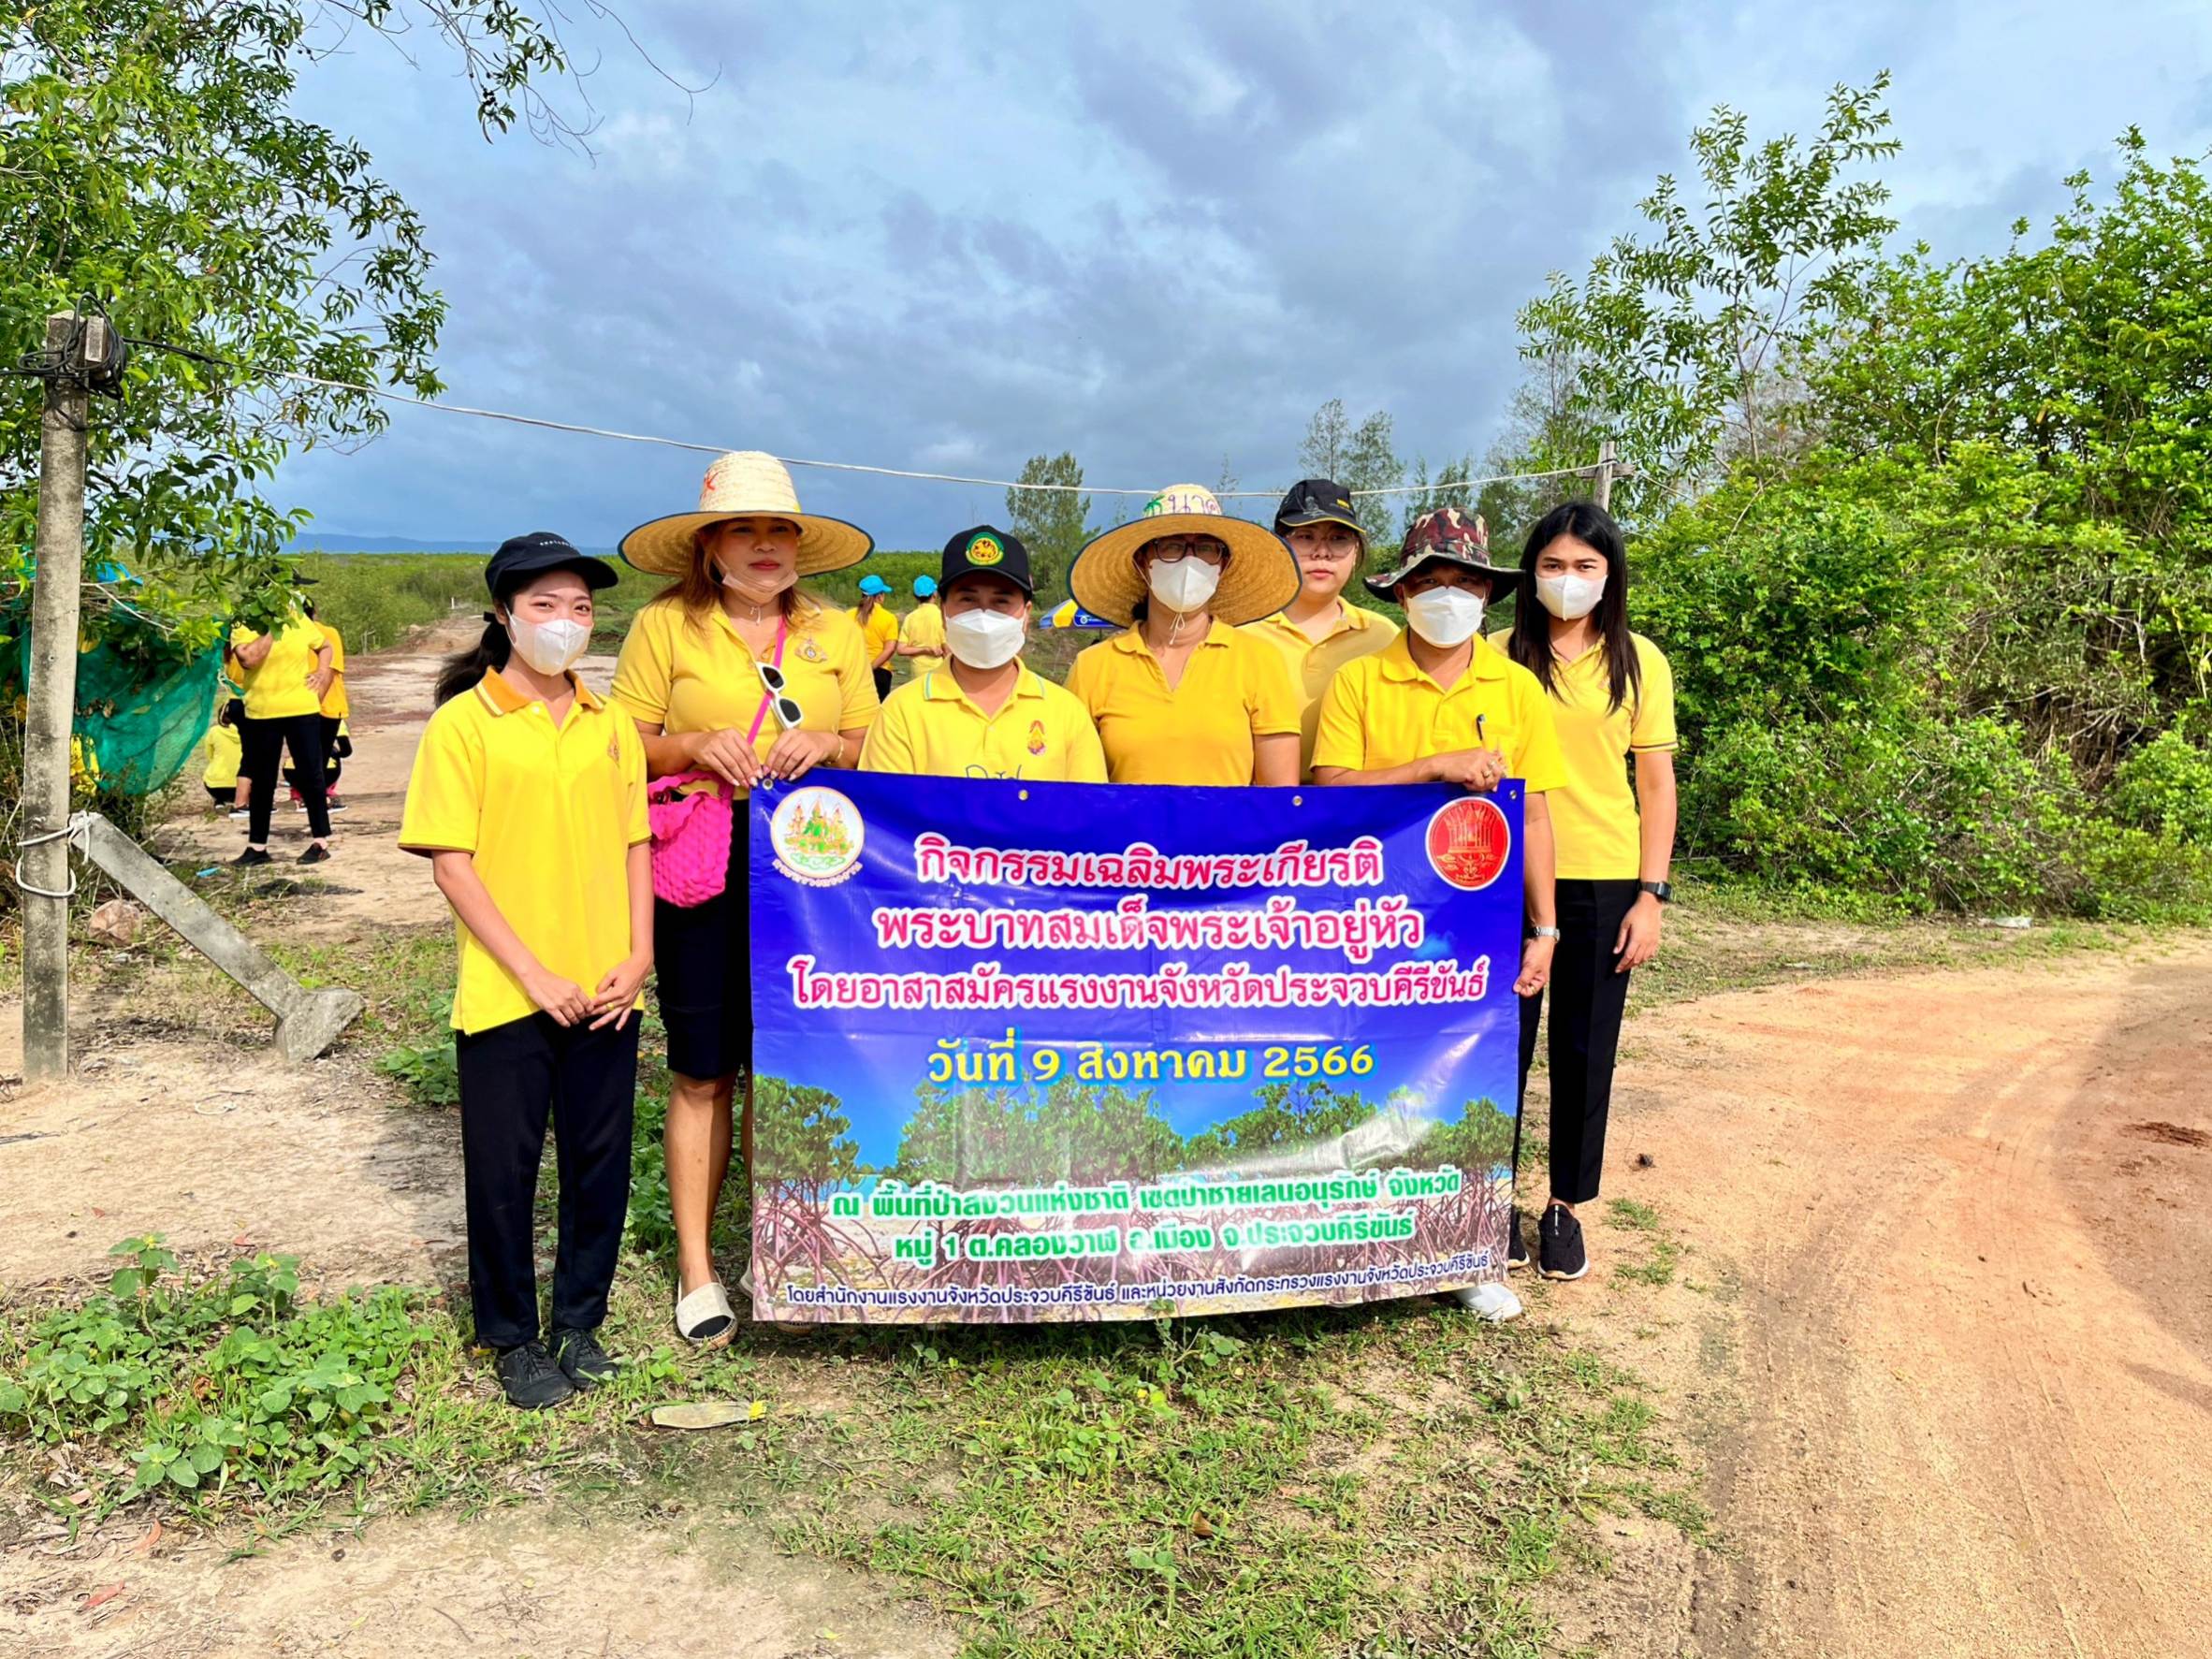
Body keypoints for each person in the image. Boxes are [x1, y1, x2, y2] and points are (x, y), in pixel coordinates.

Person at [610, 449, 878, 1346]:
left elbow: (879, 744)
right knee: (702, 1066)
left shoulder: (836, 632)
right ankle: (698, 1267)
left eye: (780, 530)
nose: (766, 546)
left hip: (814, 872)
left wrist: (829, 744)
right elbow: (626, 747)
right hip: (704, 868)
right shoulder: (665, 628)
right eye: (745, 530)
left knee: (794, 1061)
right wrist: (693, 743)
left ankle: (790, 1255)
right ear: (710, 546)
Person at [398, 531, 652, 1410]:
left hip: (606, 987)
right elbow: (452, 865)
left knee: (599, 1165)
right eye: (545, 605)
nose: (566, 622)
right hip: (511, 993)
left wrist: (639, 952)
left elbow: (635, 844)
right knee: (504, 1172)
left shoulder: (608, 721)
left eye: (580, 607)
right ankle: (512, 1337)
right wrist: (535, 973)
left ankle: (580, 1321)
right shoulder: (463, 724)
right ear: (505, 616)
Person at [1311, 507, 1565, 1323]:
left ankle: (1464, 1249)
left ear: (1488, 595)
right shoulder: (1360, 679)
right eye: (1428, 581)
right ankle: (1353, 1235)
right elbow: (1325, 790)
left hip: (1475, 925)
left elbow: (1540, 814)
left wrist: (1548, 927)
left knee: (1470, 1077)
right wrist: (1432, 768)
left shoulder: (1515, 687)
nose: (1445, 595)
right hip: (1371, 920)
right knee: (1364, 1070)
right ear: (1401, 593)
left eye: (1462, 581)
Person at [1498, 500, 1677, 1282]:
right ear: (1528, 572)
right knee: (1500, 1044)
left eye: (1585, 566)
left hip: (1603, 878)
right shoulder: (1494, 655)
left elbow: (1657, 783)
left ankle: (1564, 1205)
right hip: (1504, 874)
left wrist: (1652, 894)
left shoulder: (1639, 661)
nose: (1567, 581)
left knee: (1583, 1047)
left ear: (1611, 577)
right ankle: (1488, 1198)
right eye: (1552, 565)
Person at [1063, 483, 1302, 785]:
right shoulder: (1094, 666)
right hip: (1129, 833)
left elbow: (1278, 799)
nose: (1191, 561)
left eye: (1205, 548)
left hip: (1227, 833)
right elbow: (1075, 791)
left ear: (1223, 564)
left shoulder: (1259, 661)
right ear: (1142, 561)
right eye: (1172, 546)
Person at [861, 527, 1106, 781]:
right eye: (968, 600)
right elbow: (885, 816)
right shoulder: (900, 713)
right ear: (943, 612)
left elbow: (1090, 813)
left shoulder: (1067, 714)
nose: (983, 616)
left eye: (1001, 602)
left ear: (1025, 614)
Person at [1243, 478, 1398, 775]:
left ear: (1356, 554)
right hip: (1266, 810)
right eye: (1305, 537)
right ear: (1280, 547)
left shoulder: (1384, 637)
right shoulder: (1244, 636)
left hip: (1358, 810)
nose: (1322, 553)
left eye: (1338, 539)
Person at [230, 589, 335, 866]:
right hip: (262, 711)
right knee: (263, 779)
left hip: (302, 709)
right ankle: (257, 847)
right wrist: (273, 627)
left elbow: (325, 646)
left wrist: (322, 671)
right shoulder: (243, 624)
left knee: (311, 774)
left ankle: (321, 841)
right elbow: (249, 659)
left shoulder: (299, 619)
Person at [284, 600, 349, 812]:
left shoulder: (297, 634)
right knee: (314, 756)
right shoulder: (325, 633)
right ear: (314, 611)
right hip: (319, 705)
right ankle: (314, 799)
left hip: (312, 705)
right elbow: (330, 671)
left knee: (311, 755)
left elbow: (328, 671)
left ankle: (311, 797)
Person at [850, 573, 901, 702]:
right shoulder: (889, 618)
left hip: (853, 670)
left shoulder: (848, 616)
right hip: (880, 672)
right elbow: (889, 649)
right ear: (879, 596)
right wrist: (871, 667)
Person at [896, 574, 947, 677]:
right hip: (939, 671)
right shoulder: (941, 616)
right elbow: (947, 650)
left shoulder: (910, 618)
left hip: (917, 673)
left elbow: (901, 649)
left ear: (915, 596)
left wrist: (924, 649)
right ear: (934, 594)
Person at [199, 698, 244, 810]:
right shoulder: (250, 732)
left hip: (216, 786)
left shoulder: (214, 731)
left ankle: (219, 801)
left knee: (210, 774)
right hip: (242, 787)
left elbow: (209, 754)